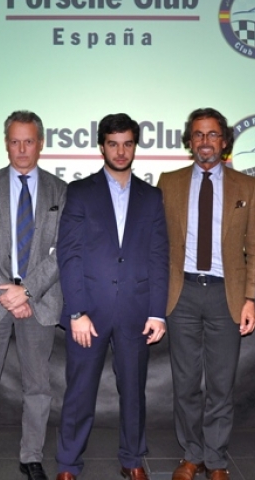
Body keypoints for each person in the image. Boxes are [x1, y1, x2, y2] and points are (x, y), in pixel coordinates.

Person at [55, 113, 169, 480]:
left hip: (136, 312)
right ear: (101, 145)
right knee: (79, 393)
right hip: (89, 311)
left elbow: (158, 256)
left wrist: (157, 312)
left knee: (134, 393)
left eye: (128, 143)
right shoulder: (80, 191)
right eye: (113, 143)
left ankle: (133, 460)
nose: (121, 151)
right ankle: (68, 464)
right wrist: (76, 312)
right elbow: (68, 255)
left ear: (136, 146)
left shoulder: (151, 197)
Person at [0, 110, 68, 480]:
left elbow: (62, 251)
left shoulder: (59, 191)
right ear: (6, 144)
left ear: (40, 144)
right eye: (15, 141)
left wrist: (28, 292)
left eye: (29, 141)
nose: (22, 148)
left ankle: (31, 456)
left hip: (39, 301)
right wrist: (9, 292)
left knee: (38, 387)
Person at [157, 108, 255, 480]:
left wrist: (250, 298)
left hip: (226, 296)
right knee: (185, 385)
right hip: (181, 293)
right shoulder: (167, 183)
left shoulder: (247, 187)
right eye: (199, 135)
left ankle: (217, 460)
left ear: (225, 141)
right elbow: (158, 245)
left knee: (220, 385)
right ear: (190, 141)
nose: (205, 141)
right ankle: (192, 455)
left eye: (213, 134)